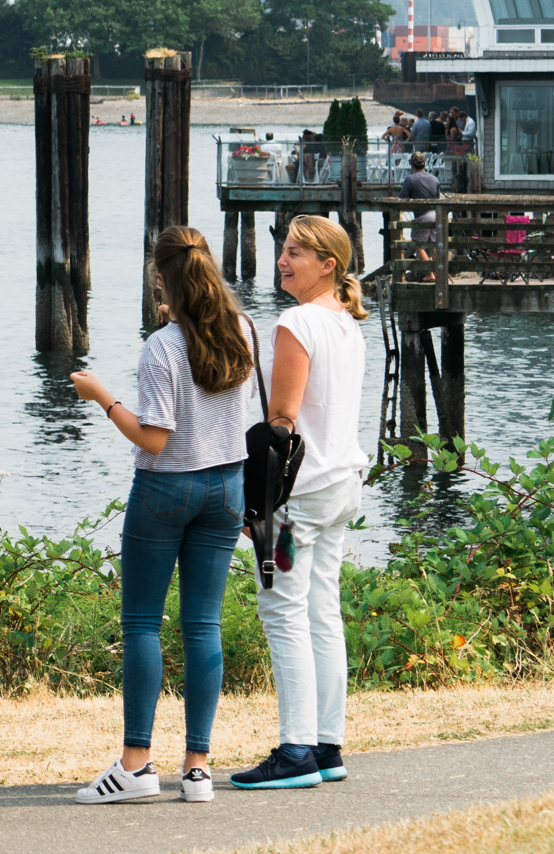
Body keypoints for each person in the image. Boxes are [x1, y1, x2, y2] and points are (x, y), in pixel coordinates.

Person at [67, 228, 257, 806]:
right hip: (227, 485)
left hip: (167, 489)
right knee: (203, 624)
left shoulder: (163, 346)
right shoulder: (244, 331)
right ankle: (197, 769)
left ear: (162, 279)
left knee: (143, 624)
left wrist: (103, 396)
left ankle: (135, 765)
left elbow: (153, 438)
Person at [232, 216, 369, 792]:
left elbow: (281, 422)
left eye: (295, 253)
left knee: (282, 611)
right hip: (340, 483)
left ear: (328, 264)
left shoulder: (297, 322)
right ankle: (326, 744)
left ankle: (295, 751)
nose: (283, 260)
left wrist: (256, 501)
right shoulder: (346, 324)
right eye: (283, 250)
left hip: (299, 494)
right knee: (321, 611)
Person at [400, 153, 441, 260]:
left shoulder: (410, 179)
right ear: (424, 164)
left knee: (418, 245)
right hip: (437, 215)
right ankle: (437, 273)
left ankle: (429, 273)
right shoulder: (434, 179)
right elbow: (438, 197)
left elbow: (402, 199)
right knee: (435, 245)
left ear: (412, 165)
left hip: (423, 215)